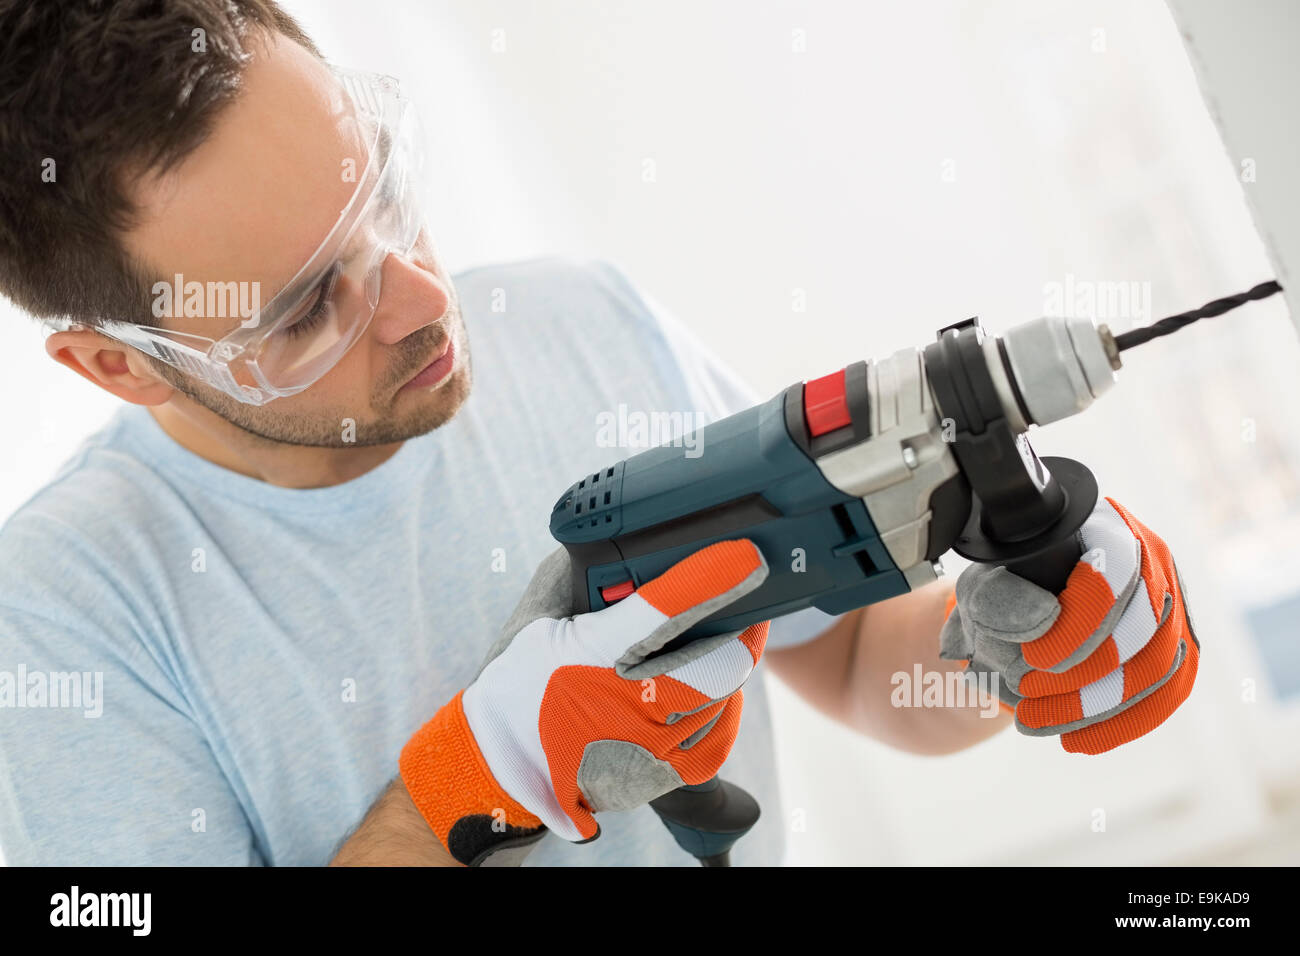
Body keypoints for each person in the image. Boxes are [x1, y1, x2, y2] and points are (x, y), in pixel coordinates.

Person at [0, 1, 1199, 866]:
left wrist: (1006, 638)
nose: (423, 300)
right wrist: (471, 786)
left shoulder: (581, 320)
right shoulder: (63, 621)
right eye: (309, 305)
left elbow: (842, 659)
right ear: (118, 364)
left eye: (383, 195)